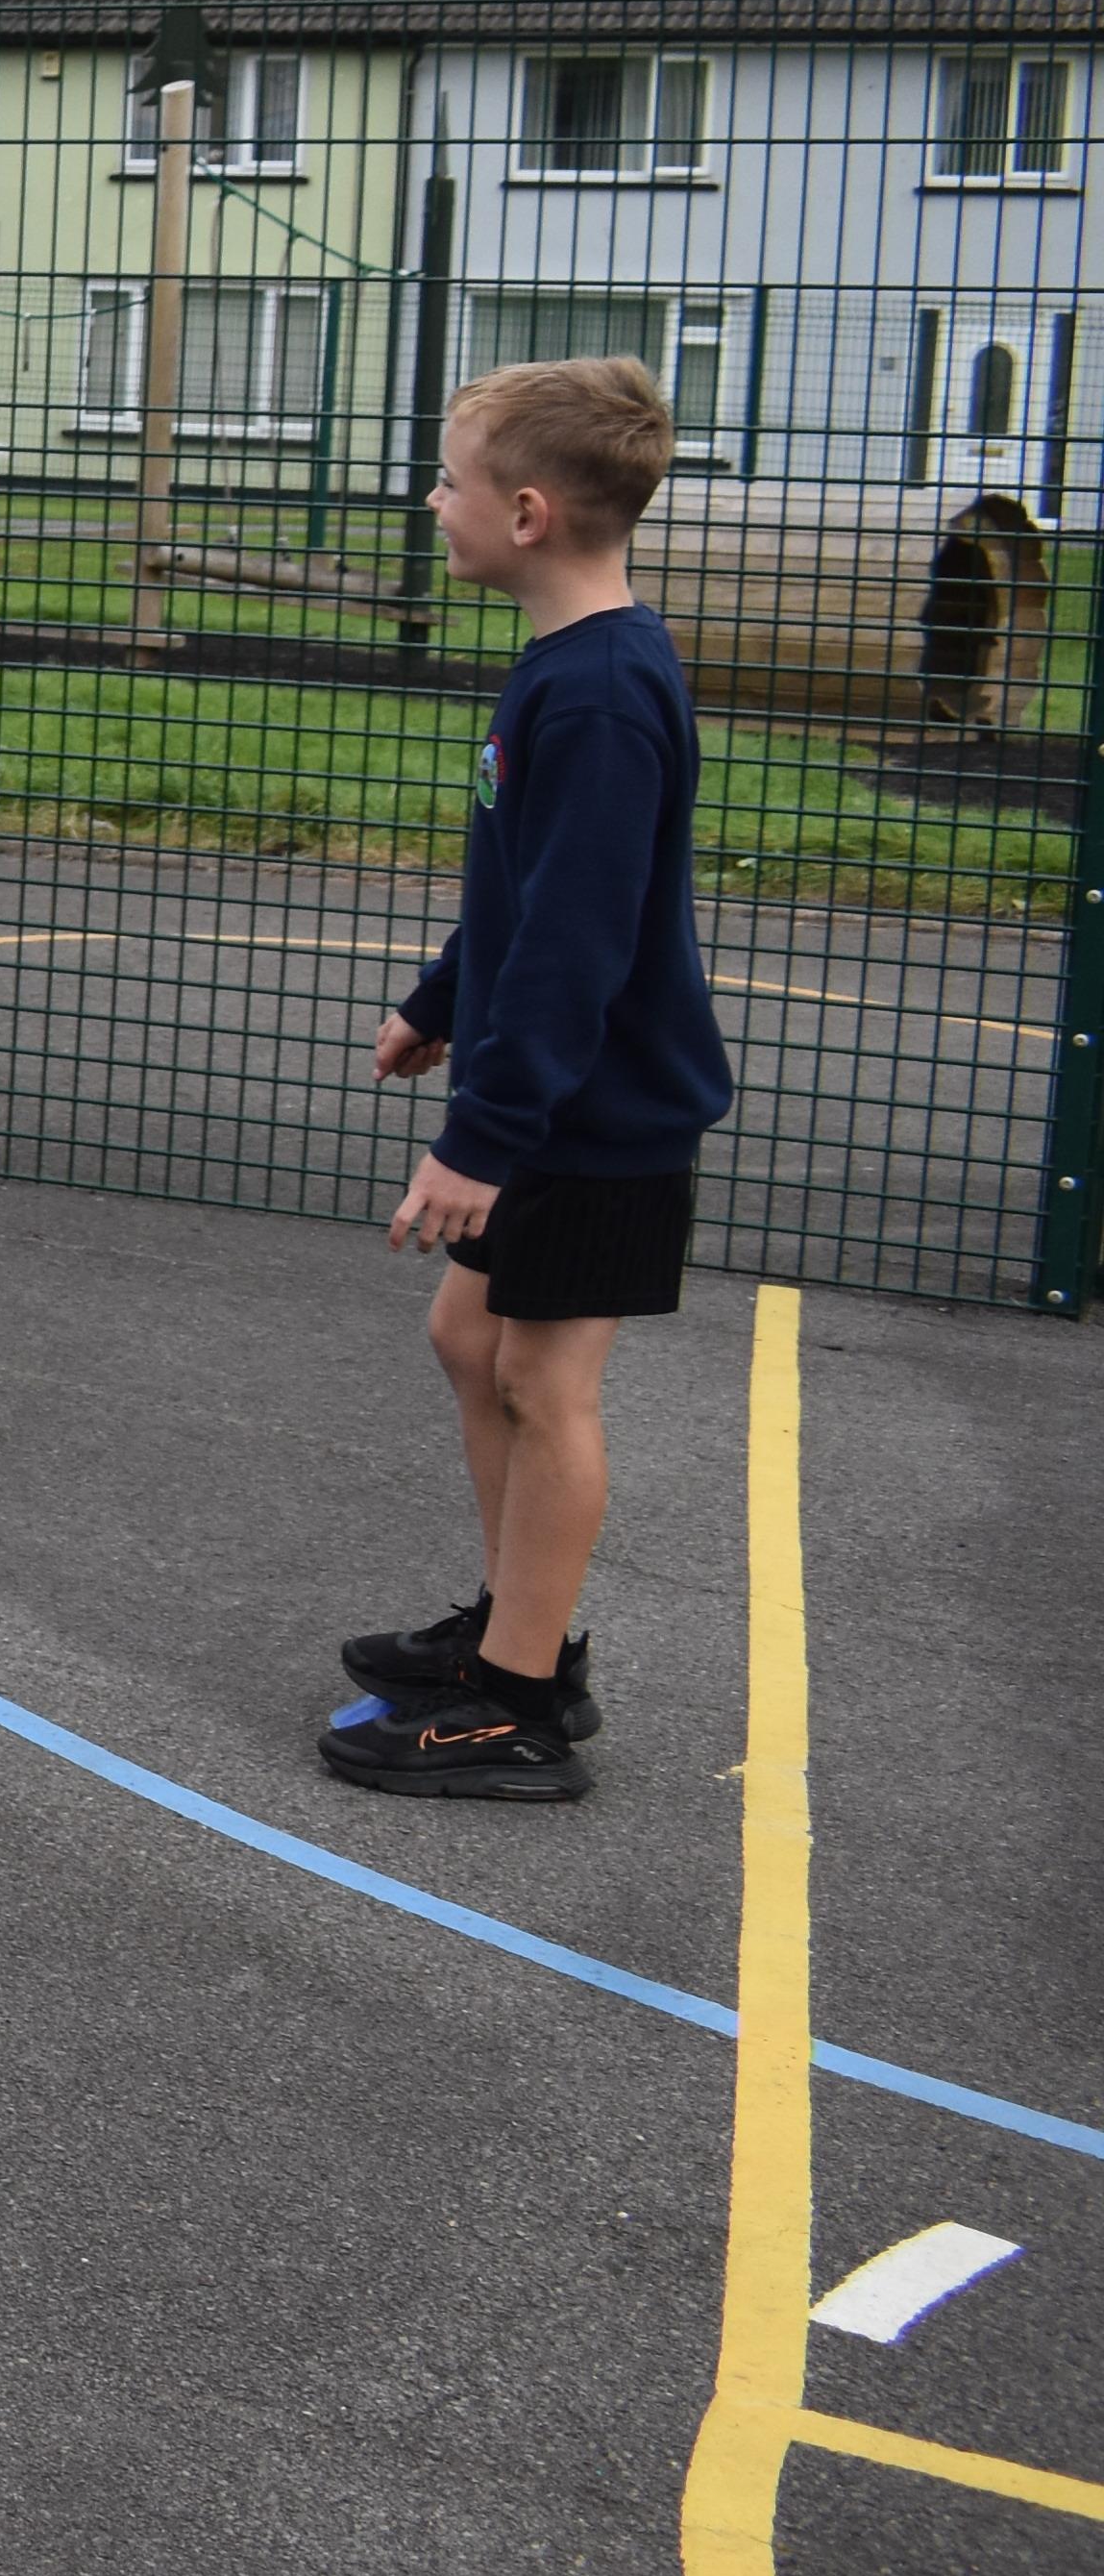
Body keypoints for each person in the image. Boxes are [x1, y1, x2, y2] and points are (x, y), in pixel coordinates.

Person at [326, 357, 730, 1804]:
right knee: (468, 1337)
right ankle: (519, 1629)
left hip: (596, 1111)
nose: (432, 502)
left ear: (530, 512)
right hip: (546, 1089)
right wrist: (443, 998)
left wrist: (481, 1137)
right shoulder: (567, 663)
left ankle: (520, 1703)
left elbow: (579, 939)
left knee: (545, 1382)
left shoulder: (606, 692)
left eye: (451, 481)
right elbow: (529, 886)